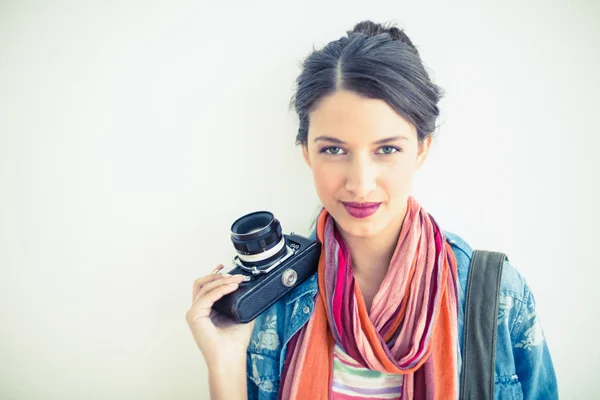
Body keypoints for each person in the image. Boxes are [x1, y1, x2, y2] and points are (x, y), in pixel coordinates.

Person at [186, 20, 558, 400]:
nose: (360, 184)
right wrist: (225, 362)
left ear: (421, 149)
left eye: (387, 149)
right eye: (334, 150)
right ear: (307, 155)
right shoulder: (269, 302)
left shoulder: (496, 296)